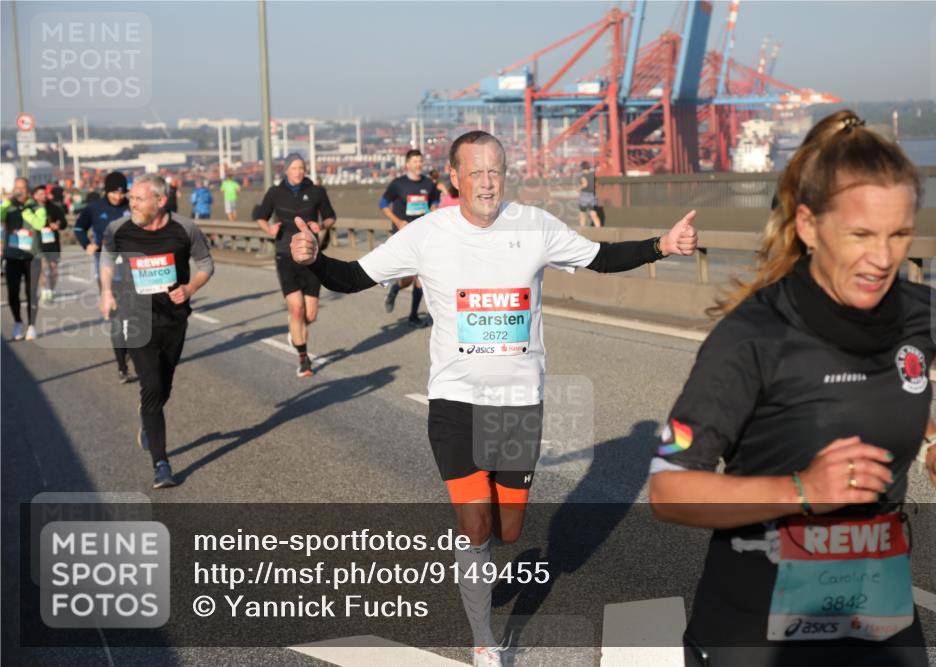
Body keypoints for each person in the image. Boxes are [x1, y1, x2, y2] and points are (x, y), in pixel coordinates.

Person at [290, 131, 698, 665]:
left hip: (518, 401)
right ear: (453, 178)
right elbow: (350, 277)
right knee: (475, 522)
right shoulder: (426, 234)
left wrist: (660, 247)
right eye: (476, 172)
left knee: (509, 529)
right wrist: (316, 260)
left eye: (496, 171)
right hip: (455, 402)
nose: (487, 182)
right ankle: (484, 639)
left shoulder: (534, 226)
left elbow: (600, 257)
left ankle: (479, 561)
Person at [648, 111, 936, 667]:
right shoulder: (752, 336)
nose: (883, 258)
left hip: (879, 621)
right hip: (755, 631)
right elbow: (669, 491)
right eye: (860, 235)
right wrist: (801, 491)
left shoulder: (924, 315)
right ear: (808, 225)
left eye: (899, 234)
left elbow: (902, 387)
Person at [100, 174, 214, 489]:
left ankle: (147, 416)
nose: (131, 203)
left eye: (138, 199)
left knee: (163, 387)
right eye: (131, 198)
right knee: (150, 386)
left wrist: (190, 288)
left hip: (174, 318)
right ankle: (161, 464)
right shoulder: (119, 229)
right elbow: (107, 258)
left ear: (160, 201)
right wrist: (106, 291)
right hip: (135, 316)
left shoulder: (185, 229)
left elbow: (206, 264)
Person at [255, 154, 336, 377]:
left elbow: (331, 217)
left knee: (310, 314)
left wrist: (320, 224)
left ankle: (295, 331)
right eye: (295, 168)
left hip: (311, 256)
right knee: (296, 309)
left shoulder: (317, 191)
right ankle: (304, 359)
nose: (299, 172)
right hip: (285, 255)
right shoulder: (275, 192)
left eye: (302, 168)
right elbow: (261, 217)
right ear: (286, 170)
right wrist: (268, 229)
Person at [75, 171, 134, 383]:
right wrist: (87, 244)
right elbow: (79, 227)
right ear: (106, 191)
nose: (118, 197)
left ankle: (128, 347)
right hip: (107, 267)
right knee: (118, 315)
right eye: (114, 193)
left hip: (133, 266)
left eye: (121, 193)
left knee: (134, 313)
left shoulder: (132, 206)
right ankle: (122, 365)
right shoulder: (94, 209)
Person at [379, 149, 439, 326]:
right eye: (414, 161)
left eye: (420, 161)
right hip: (404, 235)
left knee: (421, 276)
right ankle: (395, 288)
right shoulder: (398, 184)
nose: (418, 164)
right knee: (407, 277)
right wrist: (398, 221)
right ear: (407, 164)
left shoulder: (429, 183)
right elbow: (382, 204)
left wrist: (434, 208)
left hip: (424, 236)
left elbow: (434, 200)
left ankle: (413, 315)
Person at [2, 180, 44, 341]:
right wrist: (7, 203)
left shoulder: (37, 207)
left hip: (32, 256)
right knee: (12, 292)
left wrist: (25, 211)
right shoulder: (9, 206)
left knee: (31, 292)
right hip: (12, 255)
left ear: (28, 191)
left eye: (23, 189)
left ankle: (31, 325)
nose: (20, 192)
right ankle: (18, 322)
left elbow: (39, 224)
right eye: (17, 189)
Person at [36, 185, 68, 304]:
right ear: (35, 195)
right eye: (40, 194)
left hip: (52, 243)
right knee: (43, 268)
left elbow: (64, 223)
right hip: (38, 243)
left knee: (54, 269)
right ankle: (44, 291)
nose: (43, 196)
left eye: (44, 194)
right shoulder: (32, 208)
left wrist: (58, 225)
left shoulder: (54, 208)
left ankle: (51, 290)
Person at [578, 161, 601, 227]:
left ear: (582, 168)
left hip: (584, 196)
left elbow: (585, 184)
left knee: (582, 213)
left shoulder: (582, 175)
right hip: (593, 196)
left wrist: (578, 188)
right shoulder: (592, 175)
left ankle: (582, 229)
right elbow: (596, 184)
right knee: (593, 214)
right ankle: (599, 229)